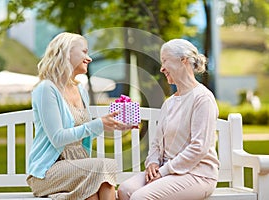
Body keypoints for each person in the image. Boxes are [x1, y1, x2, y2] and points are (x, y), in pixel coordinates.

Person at [26, 32, 131, 200]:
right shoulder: (47, 89)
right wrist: (97, 124)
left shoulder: (80, 90)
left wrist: (109, 125)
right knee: (104, 166)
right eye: (84, 51)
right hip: (49, 171)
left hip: (79, 167)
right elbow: (58, 138)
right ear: (66, 53)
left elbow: (84, 133)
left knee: (94, 192)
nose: (89, 58)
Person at [118, 39, 220, 200]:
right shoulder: (169, 103)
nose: (161, 68)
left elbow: (199, 147)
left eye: (165, 60)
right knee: (124, 190)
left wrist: (163, 171)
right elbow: (157, 142)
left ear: (183, 60)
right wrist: (152, 162)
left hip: (198, 175)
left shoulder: (203, 98)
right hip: (166, 170)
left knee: (140, 197)